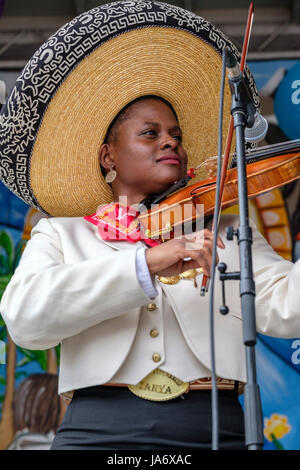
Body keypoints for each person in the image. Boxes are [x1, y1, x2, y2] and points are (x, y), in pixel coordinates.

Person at [0, 1, 300, 451]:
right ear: (108, 156)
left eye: (176, 135)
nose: (170, 142)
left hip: (215, 424)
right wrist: (145, 263)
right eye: (150, 133)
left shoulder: (227, 228)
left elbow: (286, 307)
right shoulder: (64, 233)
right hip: (99, 430)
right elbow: (25, 320)